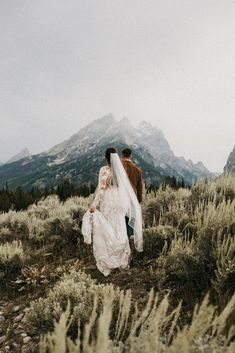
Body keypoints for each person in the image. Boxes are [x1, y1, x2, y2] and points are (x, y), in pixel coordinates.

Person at [81, 148, 143, 276]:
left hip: (108, 201)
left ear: (105, 158)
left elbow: (101, 189)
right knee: (120, 227)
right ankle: (122, 258)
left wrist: (94, 205)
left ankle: (110, 258)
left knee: (108, 227)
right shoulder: (121, 169)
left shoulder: (104, 170)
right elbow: (124, 188)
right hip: (119, 202)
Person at [121, 148, 143, 237]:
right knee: (130, 220)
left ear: (122, 155)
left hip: (120, 197)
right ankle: (130, 241)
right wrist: (138, 200)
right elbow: (140, 187)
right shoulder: (137, 169)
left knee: (121, 221)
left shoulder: (119, 166)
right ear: (131, 156)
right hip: (132, 198)